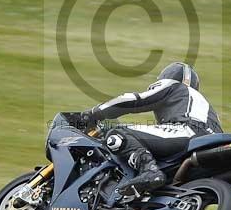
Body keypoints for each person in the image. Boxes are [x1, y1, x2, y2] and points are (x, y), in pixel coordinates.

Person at [80, 62, 223, 198]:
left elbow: (134, 100)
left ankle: (149, 171)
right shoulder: (206, 107)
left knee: (118, 133)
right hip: (213, 144)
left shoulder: (174, 86)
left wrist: (94, 113)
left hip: (188, 132)